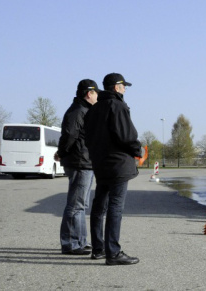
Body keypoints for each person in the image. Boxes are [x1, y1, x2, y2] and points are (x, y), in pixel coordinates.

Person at [85, 73, 142, 265]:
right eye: (124, 86)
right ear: (117, 87)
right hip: (117, 164)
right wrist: (138, 150)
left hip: (100, 164)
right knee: (115, 207)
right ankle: (113, 253)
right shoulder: (117, 106)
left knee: (99, 206)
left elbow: (88, 137)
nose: (125, 89)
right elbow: (126, 135)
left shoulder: (93, 109)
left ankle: (98, 249)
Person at [56, 79, 99, 255]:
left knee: (81, 204)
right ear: (89, 93)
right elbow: (69, 135)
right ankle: (71, 243)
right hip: (79, 162)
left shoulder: (83, 110)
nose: (97, 96)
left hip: (84, 162)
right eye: (96, 93)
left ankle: (80, 241)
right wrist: (62, 152)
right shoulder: (78, 111)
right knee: (75, 204)